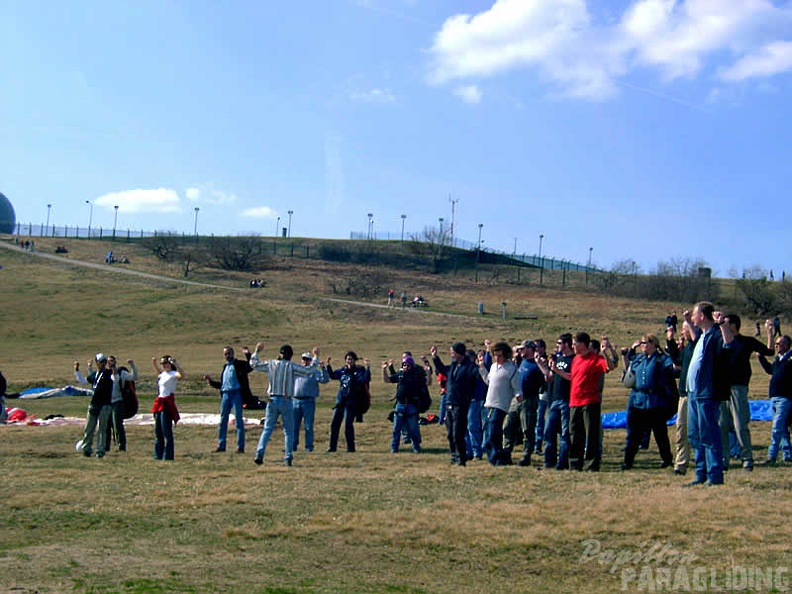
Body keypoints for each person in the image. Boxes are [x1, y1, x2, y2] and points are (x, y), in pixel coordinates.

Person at [682, 303, 734, 486]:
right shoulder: (703, 336)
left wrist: (723, 324)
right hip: (694, 392)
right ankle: (701, 474)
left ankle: (715, 476)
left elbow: (729, 345)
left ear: (702, 316)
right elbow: (696, 341)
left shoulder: (716, 334)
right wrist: (688, 323)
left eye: (695, 315)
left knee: (709, 434)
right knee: (695, 435)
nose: (694, 317)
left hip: (707, 392)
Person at [552, 332, 616, 472]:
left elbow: (610, 367)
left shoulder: (595, 359)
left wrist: (605, 352)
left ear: (583, 344)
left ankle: (591, 464)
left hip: (589, 401)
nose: (573, 346)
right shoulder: (576, 360)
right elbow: (571, 377)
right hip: (574, 402)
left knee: (591, 434)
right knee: (574, 433)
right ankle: (575, 463)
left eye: (575, 344)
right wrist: (556, 370)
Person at [719, 314, 773, 472]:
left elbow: (769, 352)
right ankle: (724, 459)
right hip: (722, 387)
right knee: (722, 424)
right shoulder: (720, 341)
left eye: (726, 323)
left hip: (739, 387)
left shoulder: (747, 342)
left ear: (734, 325)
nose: (723, 325)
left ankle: (747, 458)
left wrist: (769, 332)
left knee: (740, 424)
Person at [249, 343, 318, 466]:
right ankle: (288, 456)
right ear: (291, 356)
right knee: (288, 430)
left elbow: (254, 364)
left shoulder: (271, 364)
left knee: (268, 429)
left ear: (280, 354)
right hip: (286, 400)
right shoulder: (291, 366)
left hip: (272, 399)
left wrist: (256, 351)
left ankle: (260, 453)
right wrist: (315, 357)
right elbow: (309, 370)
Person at [620, 334, 676, 471]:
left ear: (653, 344)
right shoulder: (640, 360)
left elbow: (673, 366)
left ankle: (667, 459)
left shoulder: (661, 360)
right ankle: (628, 461)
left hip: (655, 402)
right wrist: (629, 352)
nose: (643, 346)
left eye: (645, 343)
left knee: (660, 434)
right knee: (634, 434)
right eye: (642, 344)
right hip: (639, 401)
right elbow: (630, 364)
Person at [431, 341, 480, 466]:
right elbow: (442, 369)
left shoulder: (469, 367)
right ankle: (454, 456)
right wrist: (435, 357)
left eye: (453, 352)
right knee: (450, 433)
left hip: (461, 404)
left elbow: (476, 375)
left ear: (459, 353)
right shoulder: (454, 366)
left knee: (458, 433)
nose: (451, 354)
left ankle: (461, 458)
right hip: (449, 402)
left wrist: (481, 367)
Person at [478, 341, 522, 466]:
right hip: (488, 405)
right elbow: (488, 381)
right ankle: (497, 459)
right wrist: (482, 368)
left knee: (493, 434)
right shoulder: (493, 367)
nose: (497, 358)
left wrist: (519, 396)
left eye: (500, 355)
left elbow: (517, 387)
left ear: (506, 355)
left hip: (500, 405)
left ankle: (499, 459)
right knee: (487, 435)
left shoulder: (511, 368)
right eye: (495, 355)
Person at [503, 340, 545, 467]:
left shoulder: (536, 364)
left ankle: (526, 455)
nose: (520, 351)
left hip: (529, 399)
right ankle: (506, 453)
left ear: (530, 349)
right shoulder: (521, 362)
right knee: (508, 426)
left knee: (527, 429)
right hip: (516, 399)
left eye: (523, 349)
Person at [204, 346, 254, 454]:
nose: (227, 355)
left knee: (239, 421)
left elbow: (251, 366)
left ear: (233, 353)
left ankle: (240, 447)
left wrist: (247, 354)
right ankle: (221, 445)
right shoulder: (225, 367)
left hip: (236, 393)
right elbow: (222, 385)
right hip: (226, 395)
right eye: (225, 354)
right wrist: (211, 382)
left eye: (229, 353)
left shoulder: (239, 365)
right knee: (223, 421)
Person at [537, 334, 575, 470]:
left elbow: (573, 378)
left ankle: (562, 463)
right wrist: (542, 366)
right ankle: (549, 461)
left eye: (559, 342)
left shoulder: (574, 360)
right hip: (555, 399)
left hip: (567, 400)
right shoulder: (560, 358)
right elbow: (550, 378)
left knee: (565, 433)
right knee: (549, 431)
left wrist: (557, 370)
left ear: (566, 344)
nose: (557, 345)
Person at [665, 322, 696, 475]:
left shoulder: (700, 345)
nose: (682, 332)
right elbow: (677, 361)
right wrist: (670, 341)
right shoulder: (687, 349)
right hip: (684, 394)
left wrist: (688, 322)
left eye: (685, 329)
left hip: (698, 395)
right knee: (681, 430)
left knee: (699, 430)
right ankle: (681, 463)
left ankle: (704, 459)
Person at [757, 334, 792, 466]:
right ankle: (787, 454)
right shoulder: (779, 360)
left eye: (779, 344)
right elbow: (770, 370)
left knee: (777, 427)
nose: (776, 346)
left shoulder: (790, 360)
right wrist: (761, 358)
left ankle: (772, 455)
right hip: (774, 397)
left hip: (785, 398)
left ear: (786, 345)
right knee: (782, 428)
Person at [327, 351, 371, 453]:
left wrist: (368, 368)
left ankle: (351, 448)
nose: (349, 361)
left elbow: (365, 379)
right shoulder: (343, 371)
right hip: (341, 401)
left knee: (348, 425)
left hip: (351, 402)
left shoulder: (359, 371)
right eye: (347, 359)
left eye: (351, 359)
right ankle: (332, 447)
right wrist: (328, 365)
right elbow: (333, 375)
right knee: (334, 424)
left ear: (354, 360)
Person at [383, 356, 426, 453]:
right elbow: (387, 380)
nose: (406, 366)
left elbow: (426, 382)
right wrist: (384, 369)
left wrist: (426, 370)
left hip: (411, 405)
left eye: (408, 365)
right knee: (396, 429)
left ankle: (416, 447)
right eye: (404, 365)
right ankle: (394, 448)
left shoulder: (416, 376)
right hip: (400, 404)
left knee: (414, 428)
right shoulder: (400, 374)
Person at [76, 353, 114, 458]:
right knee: (89, 428)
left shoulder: (108, 373)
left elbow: (115, 377)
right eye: (100, 362)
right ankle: (86, 449)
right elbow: (83, 381)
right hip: (94, 403)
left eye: (104, 362)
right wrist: (77, 370)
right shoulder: (94, 375)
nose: (102, 364)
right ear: (97, 363)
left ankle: (100, 450)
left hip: (105, 404)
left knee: (101, 429)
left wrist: (113, 366)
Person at [292, 349, 329, 452]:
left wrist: (323, 369)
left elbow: (325, 380)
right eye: (304, 359)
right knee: (294, 426)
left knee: (308, 426)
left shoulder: (314, 372)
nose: (305, 361)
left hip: (308, 401)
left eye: (308, 359)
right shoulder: (297, 371)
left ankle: (309, 447)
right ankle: (292, 445)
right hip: (295, 400)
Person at [151, 355, 183, 460]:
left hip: (166, 403)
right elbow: (158, 375)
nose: (165, 366)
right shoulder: (163, 374)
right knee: (158, 430)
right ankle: (157, 455)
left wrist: (176, 364)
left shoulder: (173, 374)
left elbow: (182, 375)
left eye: (166, 364)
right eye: (163, 364)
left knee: (166, 431)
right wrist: (154, 364)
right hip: (159, 402)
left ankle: (168, 455)